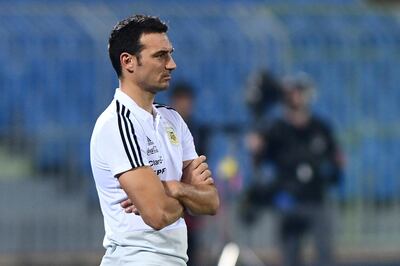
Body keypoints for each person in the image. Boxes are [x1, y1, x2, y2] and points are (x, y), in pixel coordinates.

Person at [90, 14, 219, 266]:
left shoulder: (173, 119)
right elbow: (157, 214)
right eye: (160, 56)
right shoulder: (118, 124)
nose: (171, 64)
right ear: (128, 62)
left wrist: (174, 188)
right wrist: (188, 194)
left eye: (169, 54)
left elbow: (211, 202)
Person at [247, 72, 343, 266]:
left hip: (316, 198)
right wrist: (256, 148)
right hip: (287, 200)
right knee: (290, 255)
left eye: (298, 91)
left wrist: (336, 166)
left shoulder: (320, 128)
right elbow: (259, 162)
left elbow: (336, 160)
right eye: (292, 91)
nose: (294, 96)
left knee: (325, 254)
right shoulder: (277, 129)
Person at [169, 82, 209, 266]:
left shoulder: (199, 130)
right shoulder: (163, 127)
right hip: (171, 193)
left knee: (190, 244)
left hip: (189, 194)